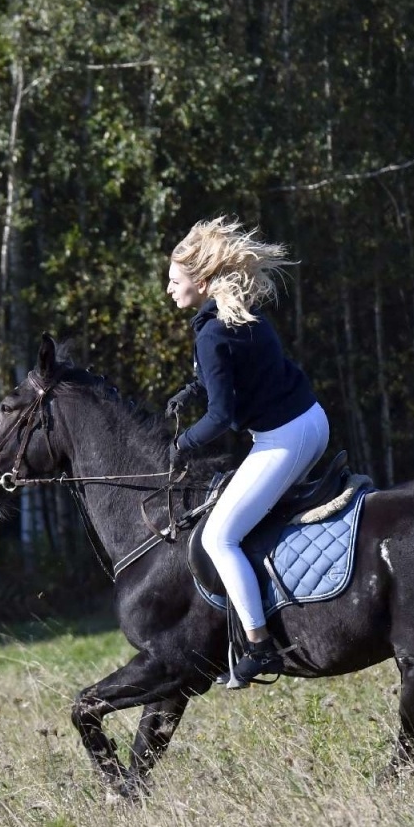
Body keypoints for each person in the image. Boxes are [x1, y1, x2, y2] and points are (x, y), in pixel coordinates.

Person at [164, 217, 330, 689]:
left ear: (201, 281)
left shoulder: (213, 331)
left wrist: (183, 444)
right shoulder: (231, 316)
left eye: (175, 281)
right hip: (309, 420)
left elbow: (220, 418)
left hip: (286, 437)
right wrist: (191, 389)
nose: (169, 290)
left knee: (219, 539)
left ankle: (259, 648)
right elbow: (232, 370)